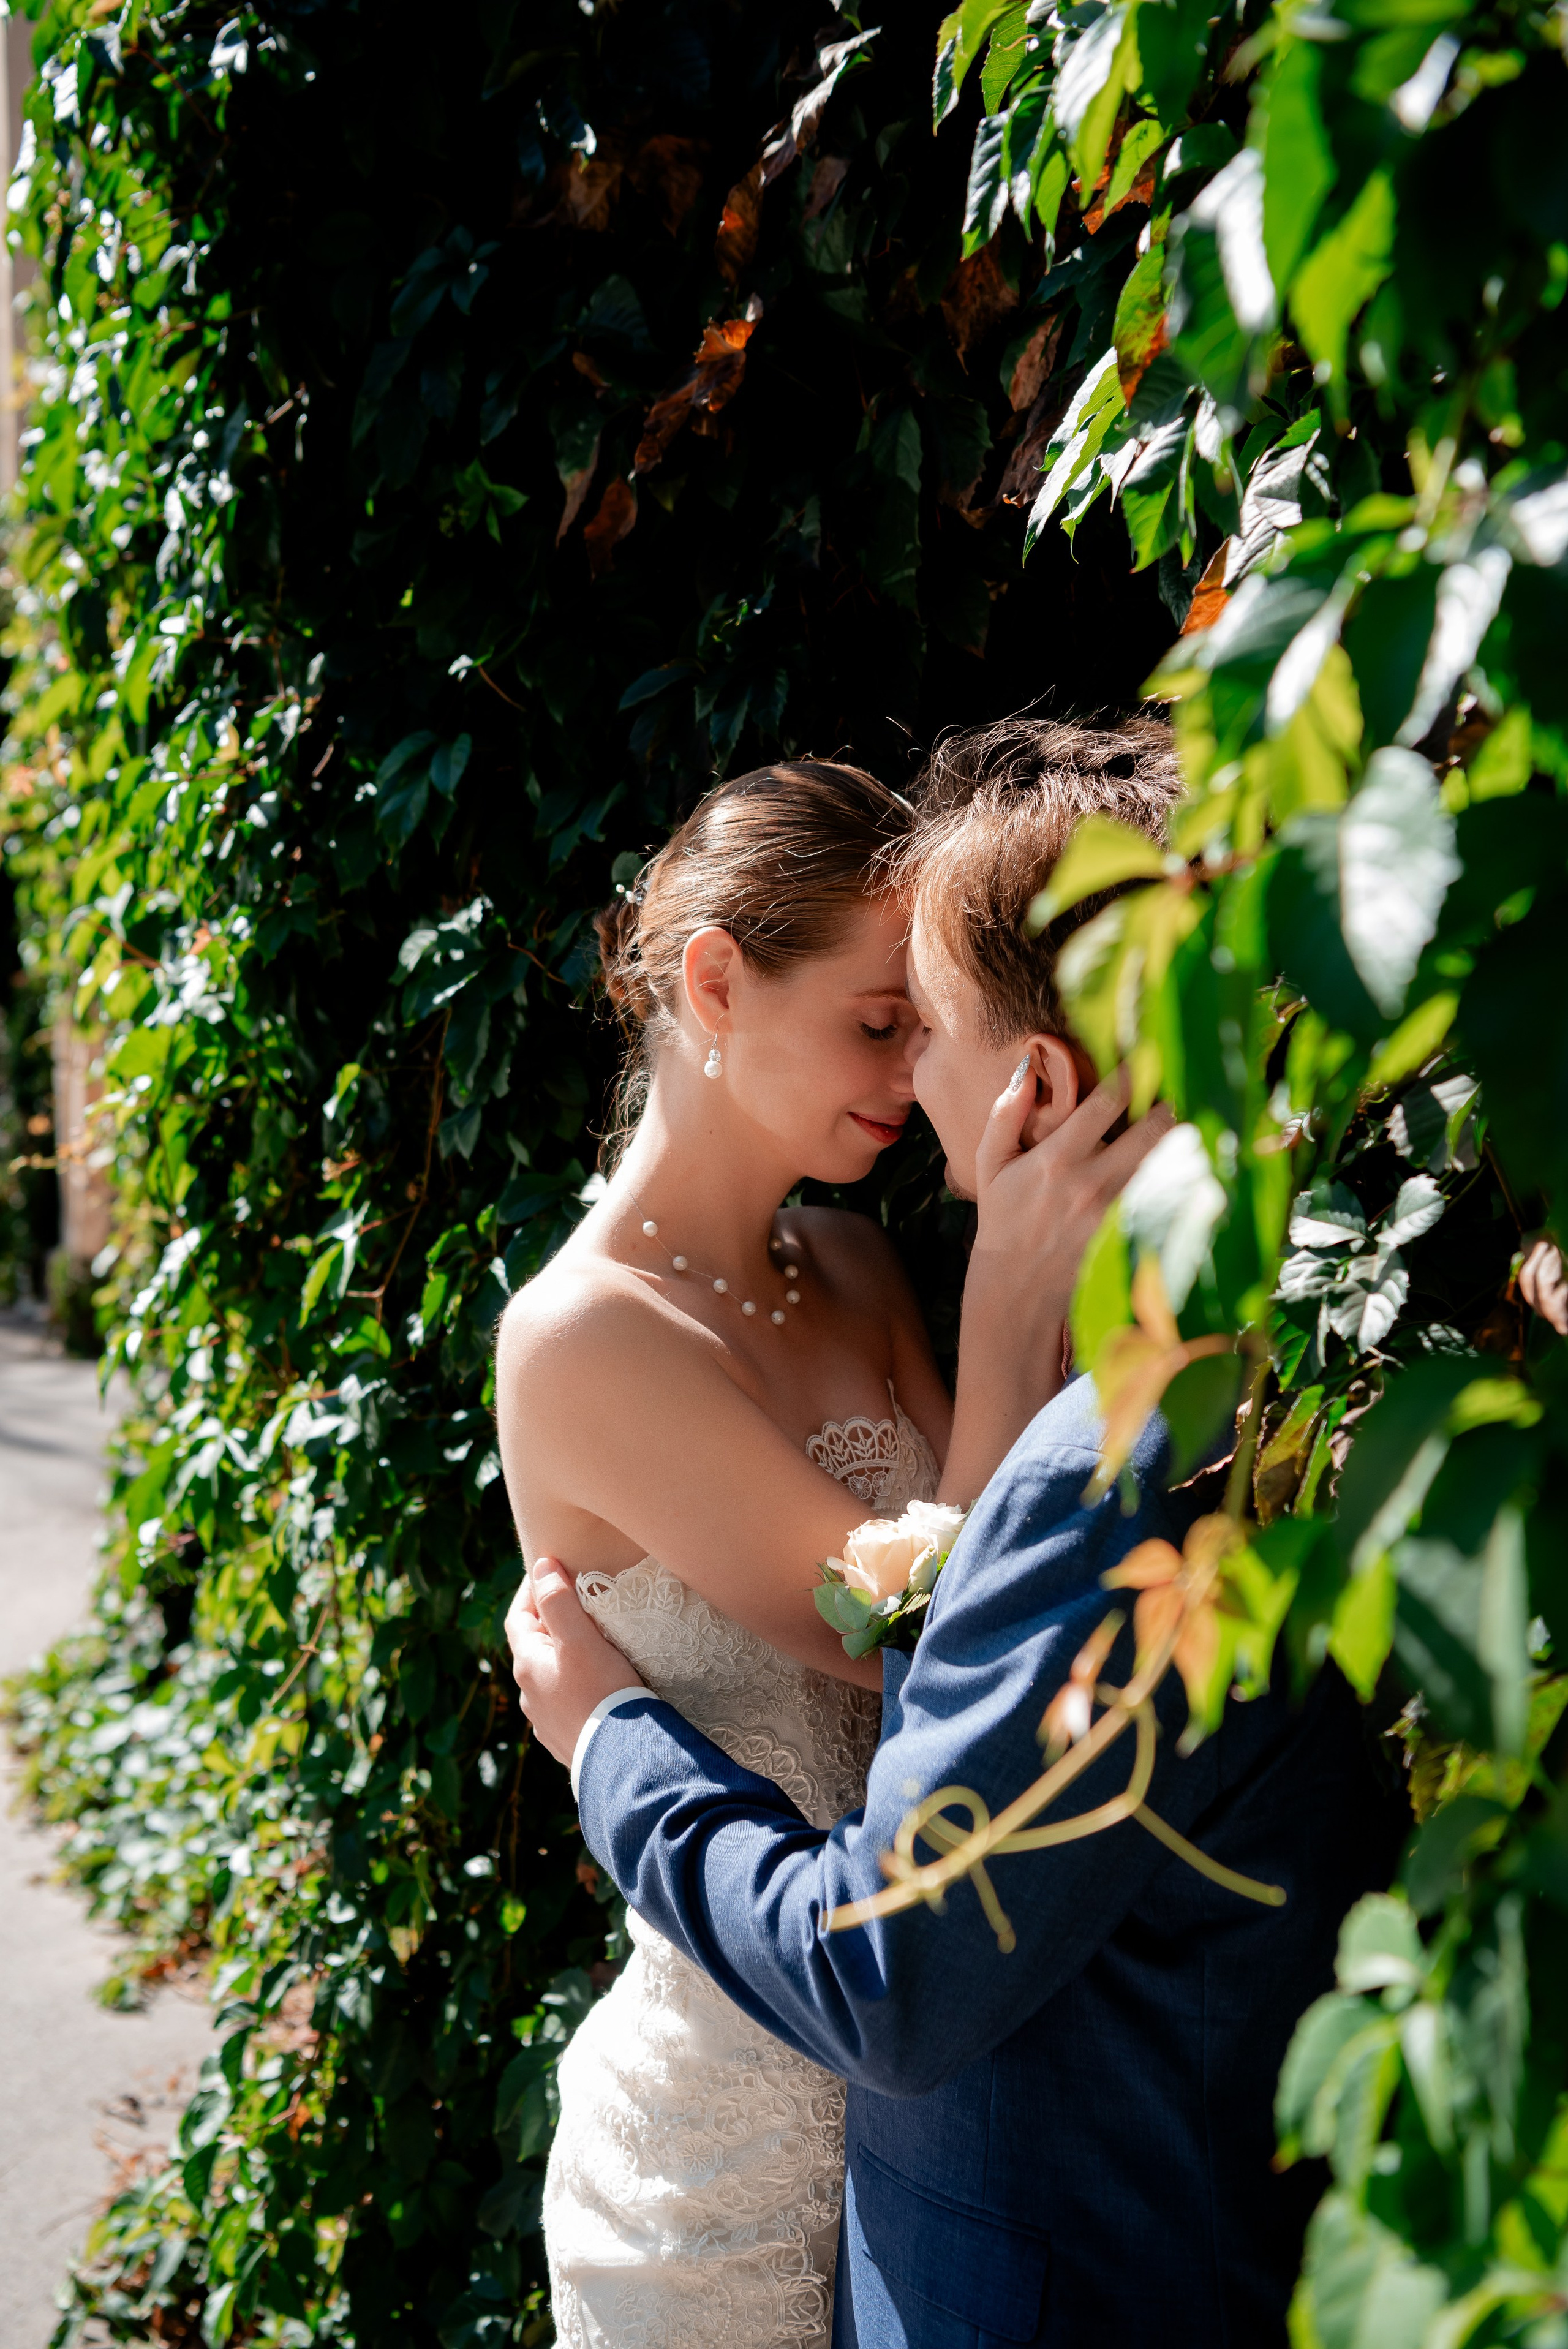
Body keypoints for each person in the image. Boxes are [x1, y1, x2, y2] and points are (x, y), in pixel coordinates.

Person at [507, 720, 1408, 2348]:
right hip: (751, 2115)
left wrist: (606, 1740)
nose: (910, 1071)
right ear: (715, 987)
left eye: (924, 1026)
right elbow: (949, 1644)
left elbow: (949, 1672)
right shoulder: (1291, 1376)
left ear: (1040, 1084)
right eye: (878, 1021)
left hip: (955, 2130)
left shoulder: (1075, 1417)